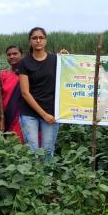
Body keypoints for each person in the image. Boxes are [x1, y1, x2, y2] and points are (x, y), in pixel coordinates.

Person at [18, 27, 63, 157]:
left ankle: (47, 177)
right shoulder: (24, 62)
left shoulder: (56, 60)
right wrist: (44, 115)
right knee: (32, 151)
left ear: (46, 41)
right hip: (29, 112)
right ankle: (33, 177)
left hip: (51, 110)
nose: (38, 40)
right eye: (34, 38)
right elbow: (25, 93)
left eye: (41, 38)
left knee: (48, 150)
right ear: (30, 41)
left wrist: (66, 58)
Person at [0, 45, 24, 142]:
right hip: (6, 114)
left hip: (23, 115)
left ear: (22, 55)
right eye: (9, 54)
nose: (12, 56)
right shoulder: (3, 74)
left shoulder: (29, 74)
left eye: (15, 54)